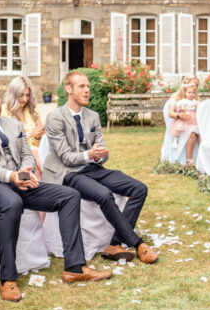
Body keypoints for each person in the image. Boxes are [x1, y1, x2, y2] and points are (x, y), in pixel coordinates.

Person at [0, 80, 110, 296]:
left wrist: (25, 172)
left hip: (20, 182)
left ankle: (74, 268)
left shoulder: (13, 125)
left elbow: (26, 153)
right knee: (12, 203)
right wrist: (12, 176)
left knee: (69, 195)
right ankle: (8, 279)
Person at [42, 71, 159, 265]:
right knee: (104, 194)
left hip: (93, 168)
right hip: (68, 173)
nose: (87, 90)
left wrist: (101, 154)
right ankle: (138, 244)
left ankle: (114, 243)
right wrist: (89, 154)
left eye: (88, 86)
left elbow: (101, 149)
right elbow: (65, 157)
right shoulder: (55, 118)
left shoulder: (93, 116)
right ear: (68, 89)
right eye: (82, 86)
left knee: (139, 188)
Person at [4, 76, 45, 177]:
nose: (24, 99)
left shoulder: (33, 112)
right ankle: (48, 179)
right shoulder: (4, 113)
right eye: (21, 95)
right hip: (13, 156)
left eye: (27, 95)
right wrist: (30, 134)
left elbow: (37, 143)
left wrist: (38, 135)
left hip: (34, 154)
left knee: (35, 153)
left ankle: (35, 181)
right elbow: (5, 143)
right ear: (13, 94)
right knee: (33, 154)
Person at [168, 77, 201, 165]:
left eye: (196, 85)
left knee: (201, 134)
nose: (195, 87)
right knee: (192, 134)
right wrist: (181, 115)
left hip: (194, 121)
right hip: (182, 121)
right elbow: (171, 113)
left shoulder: (195, 97)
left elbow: (199, 110)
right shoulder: (176, 97)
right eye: (193, 84)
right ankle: (189, 160)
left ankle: (203, 157)